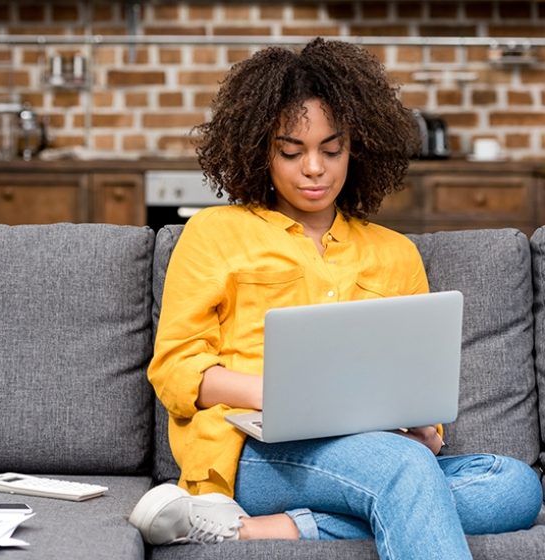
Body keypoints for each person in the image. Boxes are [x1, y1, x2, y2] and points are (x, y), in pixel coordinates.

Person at [128, 38, 543, 559]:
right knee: (403, 470)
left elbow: (419, 389)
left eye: (331, 149)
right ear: (260, 149)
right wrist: (284, 396)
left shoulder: (394, 254)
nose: (314, 169)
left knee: (514, 485)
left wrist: (425, 434)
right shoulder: (214, 233)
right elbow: (177, 369)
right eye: (291, 151)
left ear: (357, 147)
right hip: (255, 450)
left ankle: (265, 530)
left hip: (377, 449)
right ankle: (375, 488)